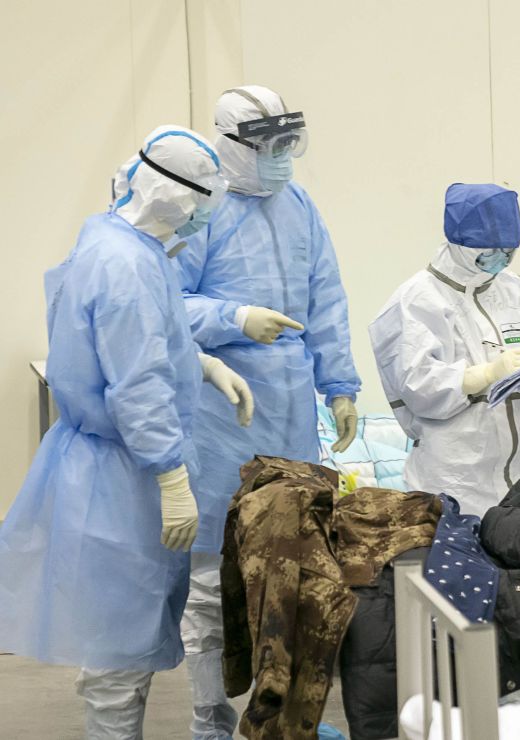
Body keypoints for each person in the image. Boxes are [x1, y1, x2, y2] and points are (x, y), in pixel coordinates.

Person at [0, 126, 253, 739]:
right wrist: (170, 473)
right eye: (201, 204)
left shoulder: (118, 238)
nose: (202, 219)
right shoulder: (126, 264)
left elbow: (138, 341)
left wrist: (200, 361)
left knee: (123, 637)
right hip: (120, 475)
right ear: (176, 199)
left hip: (108, 467)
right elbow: (135, 385)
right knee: (115, 649)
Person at [174, 85, 362, 739]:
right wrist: (234, 317)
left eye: (290, 143)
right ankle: (210, 718)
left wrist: (340, 386)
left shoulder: (300, 205)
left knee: (289, 575)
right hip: (219, 419)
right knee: (212, 581)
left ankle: (276, 718)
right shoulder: (199, 210)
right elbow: (165, 306)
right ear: (230, 144)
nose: (282, 157)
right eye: (268, 145)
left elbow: (327, 299)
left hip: (290, 417)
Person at [370, 183, 520, 515]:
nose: (500, 260)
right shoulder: (418, 299)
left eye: (508, 251)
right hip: (457, 477)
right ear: (460, 246)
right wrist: (485, 374)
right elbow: (418, 387)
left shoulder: (511, 289)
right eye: (488, 253)